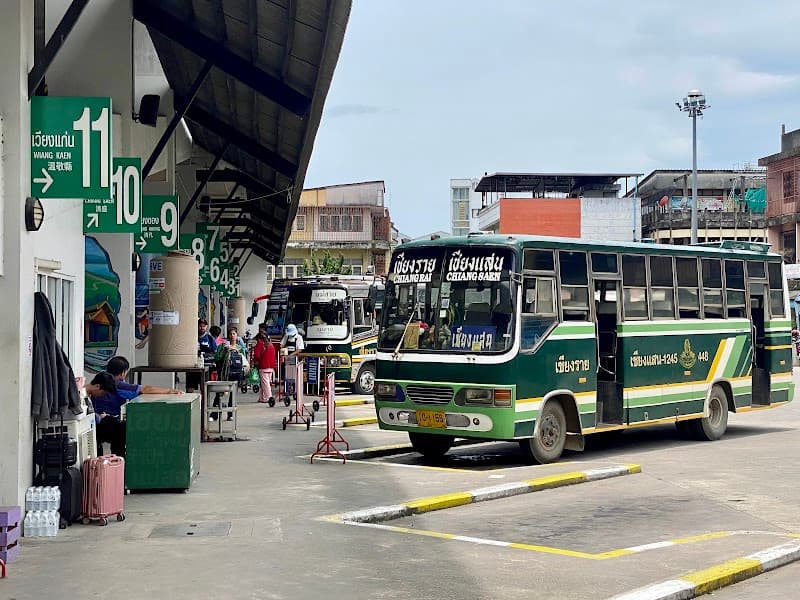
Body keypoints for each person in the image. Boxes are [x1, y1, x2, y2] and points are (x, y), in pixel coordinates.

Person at [84, 371, 128, 457]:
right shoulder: (81, 395)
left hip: (93, 423)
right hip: (88, 426)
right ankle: (118, 457)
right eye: (103, 393)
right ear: (97, 386)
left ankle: (117, 459)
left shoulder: (89, 395)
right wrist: (100, 417)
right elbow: (84, 414)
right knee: (119, 429)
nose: (102, 395)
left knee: (120, 425)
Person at [106, 356, 181, 397]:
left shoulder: (102, 379)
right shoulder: (118, 384)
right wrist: (169, 391)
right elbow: (145, 389)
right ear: (122, 373)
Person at [188, 318, 217, 392]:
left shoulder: (210, 339)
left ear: (206, 326)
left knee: (204, 387)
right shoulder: (192, 337)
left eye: (203, 326)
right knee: (190, 386)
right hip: (193, 366)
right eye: (200, 326)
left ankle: (204, 402)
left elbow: (215, 351)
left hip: (205, 367)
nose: (202, 327)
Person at [253, 324, 277, 404]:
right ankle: (262, 397)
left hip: (263, 366)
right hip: (271, 366)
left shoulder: (260, 344)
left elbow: (257, 355)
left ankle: (268, 397)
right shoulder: (271, 345)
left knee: (265, 383)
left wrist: (255, 362)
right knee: (266, 383)